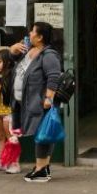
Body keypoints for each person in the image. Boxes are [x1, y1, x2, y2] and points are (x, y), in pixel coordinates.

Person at [9, 22, 61, 183]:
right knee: (40, 133)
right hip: (24, 102)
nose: (29, 34)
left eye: (32, 31)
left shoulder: (48, 55)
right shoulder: (28, 49)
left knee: (42, 134)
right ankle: (42, 168)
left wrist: (48, 98)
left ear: (40, 37)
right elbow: (13, 59)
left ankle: (40, 170)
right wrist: (13, 50)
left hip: (39, 102)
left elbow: (54, 76)